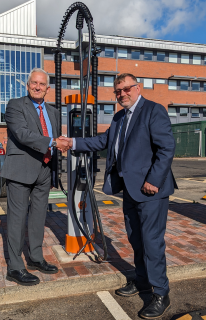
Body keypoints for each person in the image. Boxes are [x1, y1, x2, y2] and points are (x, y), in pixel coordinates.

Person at [60, 73, 176, 319]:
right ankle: (143, 281)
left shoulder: (153, 111)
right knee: (136, 239)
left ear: (137, 87)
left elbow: (166, 148)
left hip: (150, 190)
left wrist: (154, 181)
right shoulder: (119, 117)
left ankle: (160, 293)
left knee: (152, 242)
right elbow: (103, 141)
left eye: (126, 89)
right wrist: (72, 142)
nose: (122, 94)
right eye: (118, 91)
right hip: (130, 190)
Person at [0, 68, 69, 286]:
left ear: (48, 89)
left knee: (39, 217)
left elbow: (55, 138)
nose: (37, 87)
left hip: (44, 170)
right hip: (21, 169)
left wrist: (60, 146)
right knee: (17, 219)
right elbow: (22, 134)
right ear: (28, 85)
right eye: (33, 83)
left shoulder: (54, 111)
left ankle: (36, 258)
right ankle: (15, 267)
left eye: (42, 84)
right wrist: (54, 142)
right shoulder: (15, 105)